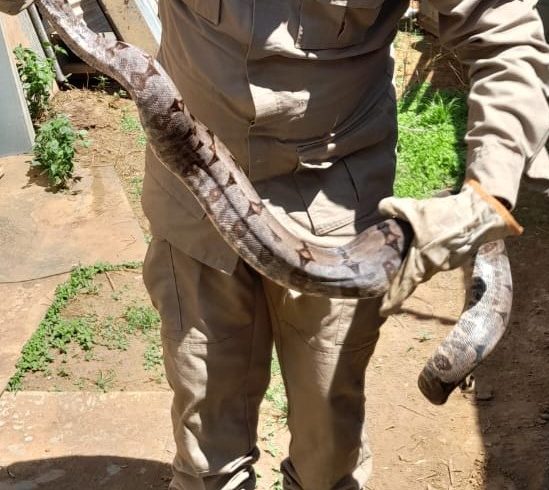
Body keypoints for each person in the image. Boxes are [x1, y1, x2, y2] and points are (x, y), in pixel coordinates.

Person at [2, 1, 548, 489]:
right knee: (205, 430)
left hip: (335, 213)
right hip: (192, 198)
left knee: (327, 447)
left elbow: (506, 31)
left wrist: (490, 193)